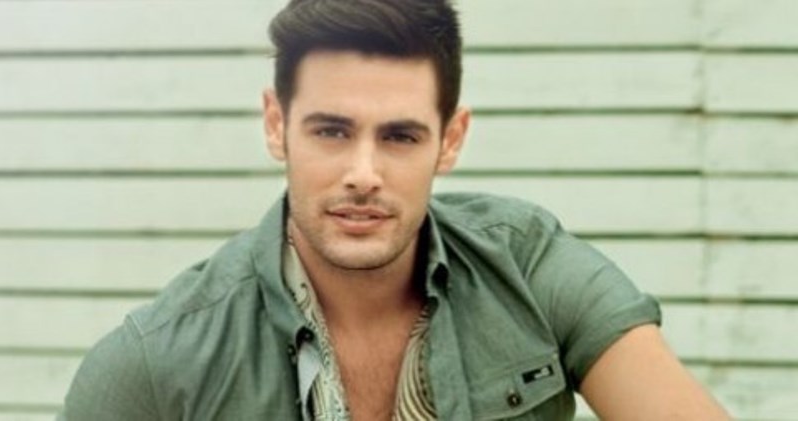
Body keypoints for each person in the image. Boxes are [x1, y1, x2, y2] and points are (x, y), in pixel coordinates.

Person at [60, 0, 730, 419]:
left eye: (400, 136)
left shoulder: (526, 266)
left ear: (451, 139)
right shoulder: (160, 359)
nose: (363, 174)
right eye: (331, 131)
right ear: (276, 125)